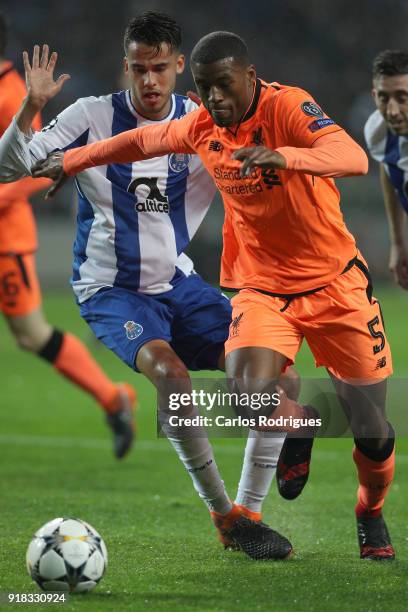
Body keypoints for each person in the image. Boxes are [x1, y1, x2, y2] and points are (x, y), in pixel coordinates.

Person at [30, 30, 398, 561]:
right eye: (205, 88)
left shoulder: (288, 105)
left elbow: (352, 156)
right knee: (248, 393)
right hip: (262, 288)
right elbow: (137, 143)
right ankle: (285, 447)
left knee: (373, 432)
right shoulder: (203, 125)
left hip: (336, 284)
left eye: (223, 85)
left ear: (249, 77)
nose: (214, 98)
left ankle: (369, 511)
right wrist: (71, 161)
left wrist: (285, 157)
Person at [0, 13, 308, 560]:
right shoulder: (90, 115)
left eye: (160, 68)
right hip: (111, 289)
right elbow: (9, 168)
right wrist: (30, 106)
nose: (149, 80)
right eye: (139, 68)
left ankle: (250, 516)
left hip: (179, 283)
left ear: (178, 67)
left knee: (282, 382)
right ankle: (223, 516)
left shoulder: (202, 121)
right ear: (126, 66)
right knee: (171, 373)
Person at [0, 13, 136, 460]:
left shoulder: (11, 94)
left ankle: (113, 398)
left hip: (5, 242)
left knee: (31, 334)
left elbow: (34, 170)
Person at [364, 49, 408, 290]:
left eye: (402, 97)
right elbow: (389, 169)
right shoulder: (378, 132)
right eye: (384, 98)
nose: (392, 110)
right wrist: (398, 242)